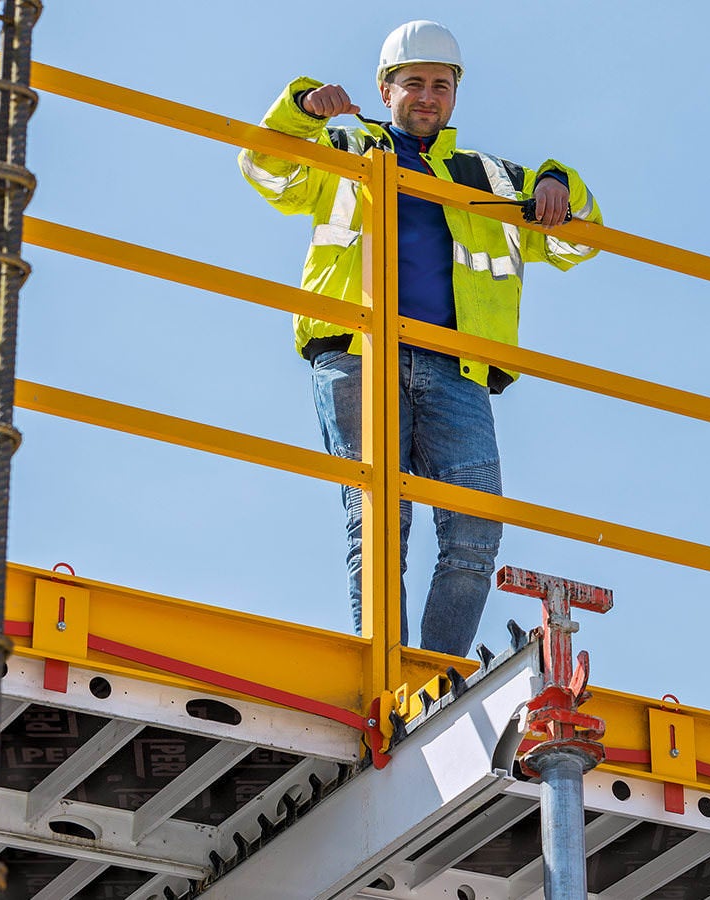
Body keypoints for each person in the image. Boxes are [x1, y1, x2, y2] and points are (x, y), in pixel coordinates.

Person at [238, 20, 602, 656]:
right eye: (413, 83)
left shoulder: (488, 177)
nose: (427, 96)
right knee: (379, 518)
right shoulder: (347, 147)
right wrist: (300, 109)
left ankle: (438, 672)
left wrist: (558, 184)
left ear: (456, 95)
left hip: (455, 370)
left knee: (474, 533)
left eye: (440, 84)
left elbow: (576, 245)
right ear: (386, 90)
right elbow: (265, 167)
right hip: (359, 353)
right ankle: (387, 666)